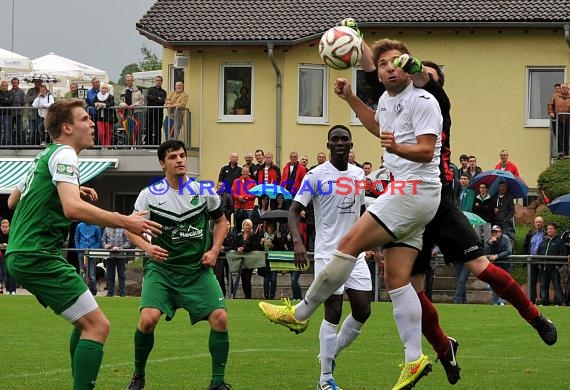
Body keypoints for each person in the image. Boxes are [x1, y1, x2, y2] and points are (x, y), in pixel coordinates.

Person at [342, 19, 557, 385]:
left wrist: (413, 67)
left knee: (479, 267)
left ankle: (535, 316)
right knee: (411, 289)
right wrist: (359, 42)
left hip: (437, 198)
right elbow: (376, 67)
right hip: (405, 198)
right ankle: (444, 348)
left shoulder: (434, 98)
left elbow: (416, 74)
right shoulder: (397, 98)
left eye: (423, 71)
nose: (410, 72)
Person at [260, 38, 443, 389]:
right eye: (383, 63)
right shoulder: (389, 101)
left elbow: (424, 150)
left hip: (412, 189)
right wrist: (350, 98)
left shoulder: (423, 99)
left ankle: (299, 314)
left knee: (347, 244)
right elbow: (376, 124)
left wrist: (397, 147)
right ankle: (413, 357)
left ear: (408, 66)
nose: (388, 68)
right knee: (397, 280)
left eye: (396, 63)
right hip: (414, 196)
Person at [4, 98, 161, 390]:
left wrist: (69, 187)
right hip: (37, 255)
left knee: (85, 323)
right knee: (97, 326)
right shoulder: (65, 153)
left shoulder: (46, 155)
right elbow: (72, 210)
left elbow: (13, 201)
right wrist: (126, 221)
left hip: (25, 253)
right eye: (85, 119)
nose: (92, 124)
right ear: (67, 127)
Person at [125, 139, 229, 390]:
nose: (180, 160)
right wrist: (148, 247)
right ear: (162, 163)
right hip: (162, 270)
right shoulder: (149, 195)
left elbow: (222, 221)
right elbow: (130, 228)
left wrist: (214, 251)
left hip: (196, 270)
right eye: (173, 157)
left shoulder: (203, 190)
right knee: (147, 320)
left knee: (221, 318)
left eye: (182, 155)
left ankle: (217, 383)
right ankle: (138, 375)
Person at [288, 124, 372, 390]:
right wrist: (299, 242)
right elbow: (293, 211)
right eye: (334, 139)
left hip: (356, 252)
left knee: (363, 309)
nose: (339, 143)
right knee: (333, 310)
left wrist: (373, 245)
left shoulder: (359, 174)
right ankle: (325, 379)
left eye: (344, 139)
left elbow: (362, 213)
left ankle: (330, 354)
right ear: (328, 145)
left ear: (350, 145)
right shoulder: (315, 176)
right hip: (329, 252)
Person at [537, 223, 567, 306]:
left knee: (556, 285)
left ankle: (558, 302)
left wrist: (557, 264)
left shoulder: (559, 241)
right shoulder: (544, 240)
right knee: (543, 285)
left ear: (555, 230)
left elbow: (563, 253)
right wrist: (539, 262)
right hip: (544, 267)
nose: (549, 230)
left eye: (551, 228)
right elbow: (539, 252)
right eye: (548, 228)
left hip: (554, 267)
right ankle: (544, 302)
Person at [484, 225, 513, 305]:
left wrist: (497, 256)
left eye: (497, 231)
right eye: (493, 231)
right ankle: (495, 301)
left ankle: (502, 301)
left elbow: (509, 251)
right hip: (495, 266)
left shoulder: (506, 238)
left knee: (504, 283)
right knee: (494, 284)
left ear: (500, 232)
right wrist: (489, 243)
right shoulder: (490, 240)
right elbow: (485, 252)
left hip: (505, 265)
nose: (495, 233)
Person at [75, 221, 103, 296]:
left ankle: (93, 291)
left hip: (91, 253)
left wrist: (92, 249)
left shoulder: (96, 227)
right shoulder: (79, 226)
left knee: (92, 274)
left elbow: (100, 241)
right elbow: (76, 238)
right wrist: (78, 249)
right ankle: (81, 291)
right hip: (81, 252)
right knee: (82, 272)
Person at [102, 226, 130, 297]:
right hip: (110, 256)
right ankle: (110, 293)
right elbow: (103, 241)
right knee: (110, 275)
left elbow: (128, 243)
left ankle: (122, 293)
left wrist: (120, 248)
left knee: (121, 275)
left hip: (121, 255)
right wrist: (106, 246)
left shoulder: (123, 229)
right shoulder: (107, 228)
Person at [523, 216, 545, 303]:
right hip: (532, 260)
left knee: (543, 281)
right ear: (534, 223)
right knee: (532, 281)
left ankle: (543, 300)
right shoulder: (530, 234)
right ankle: (532, 299)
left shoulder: (546, 234)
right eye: (537, 222)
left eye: (540, 222)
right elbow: (525, 246)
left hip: (542, 260)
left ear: (543, 223)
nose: (538, 223)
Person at [119, 74, 145, 145]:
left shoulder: (139, 89)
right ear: (126, 81)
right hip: (127, 112)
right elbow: (120, 101)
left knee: (138, 129)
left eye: (131, 80)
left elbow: (142, 101)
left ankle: (139, 145)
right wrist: (124, 105)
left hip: (137, 111)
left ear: (133, 80)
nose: (129, 81)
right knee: (128, 129)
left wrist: (134, 105)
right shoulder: (123, 90)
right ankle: (129, 145)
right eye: (128, 80)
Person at [547, 82, 570, 156]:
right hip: (557, 120)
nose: (564, 89)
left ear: (568, 89)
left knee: (566, 136)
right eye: (563, 88)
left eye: (566, 88)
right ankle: (560, 152)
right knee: (559, 136)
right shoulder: (555, 96)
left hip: (567, 120)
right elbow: (550, 104)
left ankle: (566, 152)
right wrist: (550, 112)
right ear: (561, 89)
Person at [145, 75, 166, 145]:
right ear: (155, 81)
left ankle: (157, 144)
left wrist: (154, 98)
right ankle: (148, 144)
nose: (158, 82)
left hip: (159, 112)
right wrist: (158, 98)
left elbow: (162, 101)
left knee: (158, 128)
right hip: (150, 111)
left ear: (162, 82)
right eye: (157, 80)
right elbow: (149, 98)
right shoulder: (150, 89)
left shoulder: (163, 92)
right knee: (149, 127)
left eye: (159, 80)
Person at [0, 219, 17, 294]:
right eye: (3, 227)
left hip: (11, 254)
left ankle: (13, 290)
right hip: (3, 255)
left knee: (11, 272)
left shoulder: (12, 234)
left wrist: (8, 245)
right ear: (1, 227)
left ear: (9, 227)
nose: (4, 228)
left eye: (6, 227)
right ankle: (7, 290)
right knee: (5, 272)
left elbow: (15, 243)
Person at [24, 78, 42, 144]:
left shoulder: (45, 90)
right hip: (32, 114)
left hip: (41, 115)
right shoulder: (30, 90)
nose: (38, 83)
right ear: (34, 82)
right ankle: (31, 145)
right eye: (36, 82)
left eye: (39, 82)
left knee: (40, 130)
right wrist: (37, 96)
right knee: (32, 131)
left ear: (41, 82)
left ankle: (39, 144)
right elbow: (26, 99)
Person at [10, 77, 25, 144]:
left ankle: (20, 143)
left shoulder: (22, 91)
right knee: (10, 128)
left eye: (16, 83)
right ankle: (10, 143)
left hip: (19, 113)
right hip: (10, 114)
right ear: (11, 83)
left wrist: (21, 110)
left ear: (18, 83)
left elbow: (23, 102)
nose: (14, 84)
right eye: (13, 83)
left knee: (19, 129)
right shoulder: (9, 92)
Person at [0, 80, 14, 145]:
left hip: (7, 114)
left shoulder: (11, 93)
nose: (4, 87)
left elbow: (10, 101)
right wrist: (5, 99)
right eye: (3, 85)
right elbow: (7, 101)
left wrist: (2, 100)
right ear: (0, 86)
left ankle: (7, 145)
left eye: (5, 86)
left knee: (7, 130)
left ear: (8, 86)